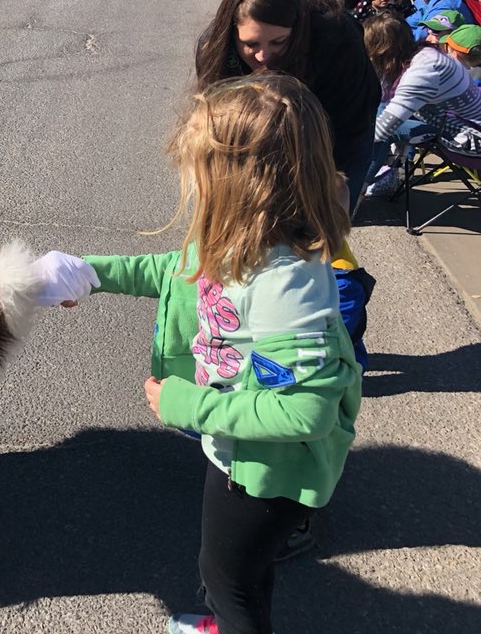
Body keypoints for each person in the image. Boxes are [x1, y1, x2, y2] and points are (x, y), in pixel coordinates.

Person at [84, 75, 361, 634]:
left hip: (264, 467)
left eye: (198, 170)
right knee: (239, 569)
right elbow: (174, 271)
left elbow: (305, 412)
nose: (189, 182)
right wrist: (88, 272)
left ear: (242, 180)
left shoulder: (287, 282)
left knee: (227, 577)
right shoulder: (238, 237)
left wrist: (186, 404)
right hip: (236, 447)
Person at [194, 0, 380, 211]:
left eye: (278, 42)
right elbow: (217, 134)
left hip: (340, 131)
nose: (263, 56)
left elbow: (348, 131)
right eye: (250, 44)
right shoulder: (215, 49)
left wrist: (317, 196)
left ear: (297, 29)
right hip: (263, 138)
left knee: (323, 226)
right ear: (232, 33)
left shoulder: (334, 37)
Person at [361, 13, 481, 197]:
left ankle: (353, 193)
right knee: (380, 112)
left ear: (382, 51)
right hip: (455, 127)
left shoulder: (425, 70)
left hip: (470, 140)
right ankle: (388, 175)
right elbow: (382, 98)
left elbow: (383, 128)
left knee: (382, 131)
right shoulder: (423, 53)